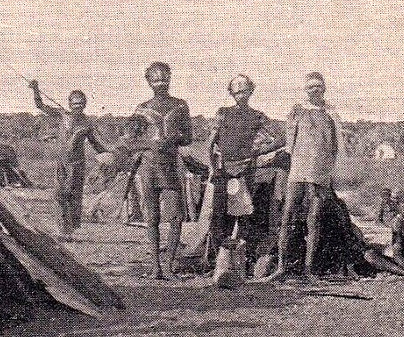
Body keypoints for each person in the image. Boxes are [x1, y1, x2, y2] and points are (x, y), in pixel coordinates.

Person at [265, 72, 343, 282]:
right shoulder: (297, 111)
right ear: (305, 90)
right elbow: (290, 145)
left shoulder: (331, 114)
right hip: (298, 172)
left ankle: (309, 270)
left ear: (324, 89)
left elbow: (335, 148)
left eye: (318, 86)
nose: (314, 90)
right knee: (287, 217)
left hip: (320, 174)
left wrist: (328, 174)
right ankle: (281, 268)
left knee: (314, 220)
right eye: (310, 87)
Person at [207, 75, 281, 258]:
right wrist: (214, 168)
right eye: (237, 91)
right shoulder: (223, 113)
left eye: (245, 90)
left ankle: (243, 260)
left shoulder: (257, 116)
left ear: (251, 91)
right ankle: (219, 260)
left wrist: (258, 151)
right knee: (220, 215)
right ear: (231, 93)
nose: (241, 94)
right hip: (224, 170)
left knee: (246, 214)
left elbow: (280, 138)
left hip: (247, 169)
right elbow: (210, 143)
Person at [130, 62, 193, 279]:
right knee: (152, 217)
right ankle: (156, 266)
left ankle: (170, 265)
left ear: (170, 79)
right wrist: (150, 144)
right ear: (148, 82)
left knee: (176, 217)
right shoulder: (141, 109)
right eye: (155, 79)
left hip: (171, 166)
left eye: (164, 78)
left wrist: (174, 138)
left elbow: (189, 138)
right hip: (148, 167)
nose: (161, 83)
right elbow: (132, 142)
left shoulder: (181, 106)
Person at [29, 80, 108, 239]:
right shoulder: (62, 115)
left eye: (80, 104)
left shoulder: (87, 123)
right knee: (58, 195)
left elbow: (96, 144)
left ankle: (68, 232)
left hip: (77, 164)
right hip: (62, 163)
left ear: (84, 105)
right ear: (70, 104)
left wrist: (110, 155)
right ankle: (62, 230)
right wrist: (36, 89)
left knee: (70, 196)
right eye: (74, 103)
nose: (77, 106)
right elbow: (40, 106)